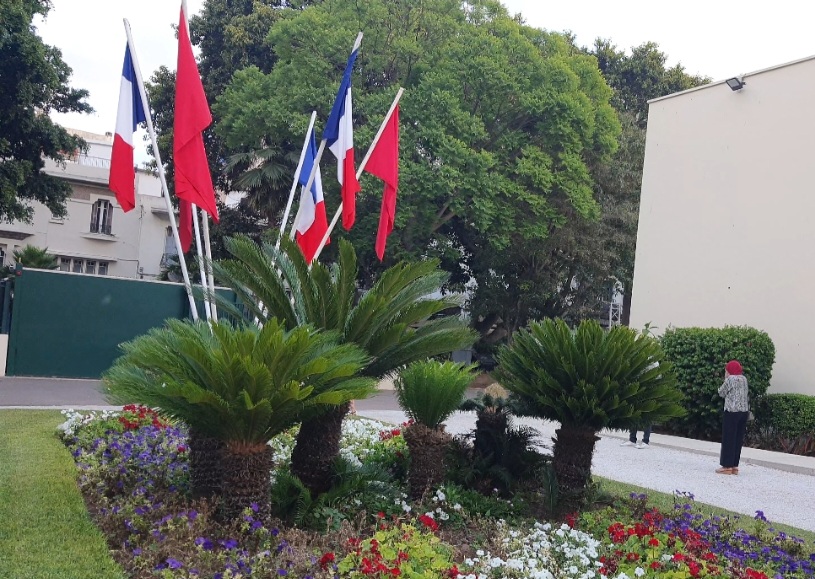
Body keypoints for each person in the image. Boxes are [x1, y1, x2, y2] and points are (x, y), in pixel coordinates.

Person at [717, 359, 750, 475]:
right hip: (743, 412)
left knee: (729, 438)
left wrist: (725, 379)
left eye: (726, 371)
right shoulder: (744, 379)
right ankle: (735, 466)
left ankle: (727, 466)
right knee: (737, 438)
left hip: (732, 411)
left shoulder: (730, 379)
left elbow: (721, 392)